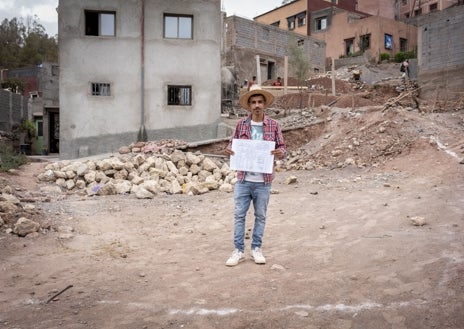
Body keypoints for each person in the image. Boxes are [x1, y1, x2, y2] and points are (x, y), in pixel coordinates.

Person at [224, 85, 286, 266]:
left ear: (264, 104)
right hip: (243, 179)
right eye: (253, 102)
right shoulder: (241, 125)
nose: (257, 105)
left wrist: (280, 152)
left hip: (263, 181)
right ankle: (238, 251)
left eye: (260, 102)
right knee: (239, 215)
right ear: (249, 106)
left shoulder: (274, 125)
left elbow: (282, 147)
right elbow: (231, 145)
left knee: (261, 216)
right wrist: (229, 151)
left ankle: (256, 248)